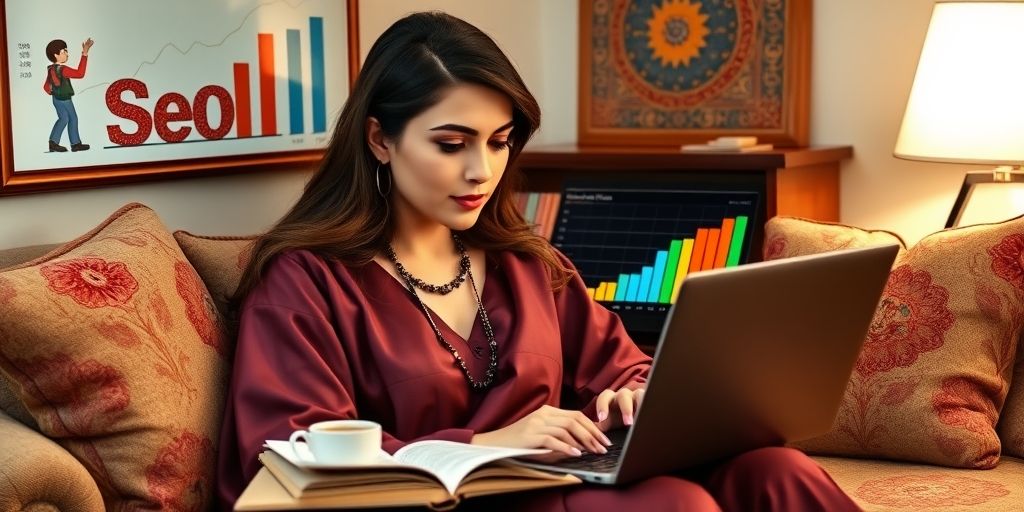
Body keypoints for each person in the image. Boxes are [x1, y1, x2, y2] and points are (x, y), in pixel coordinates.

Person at [217, 11, 860, 511]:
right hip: (451, 501)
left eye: (498, 143)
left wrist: (634, 399)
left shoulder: (529, 265)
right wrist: (485, 446)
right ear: (380, 138)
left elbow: (626, 367)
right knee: (676, 503)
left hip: (559, 484)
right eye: (451, 144)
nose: (482, 171)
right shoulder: (304, 280)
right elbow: (290, 452)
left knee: (778, 473)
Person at [43, 37, 93, 153]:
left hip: (56, 98)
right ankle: (75, 144)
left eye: (66, 50)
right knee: (73, 118)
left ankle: (53, 143)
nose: (67, 54)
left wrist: (53, 92)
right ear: (56, 55)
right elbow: (80, 73)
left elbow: (46, 86)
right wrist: (84, 54)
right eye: (63, 51)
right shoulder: (62, 69)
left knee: (64, 118)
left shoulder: (51, 69)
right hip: (65, 99)